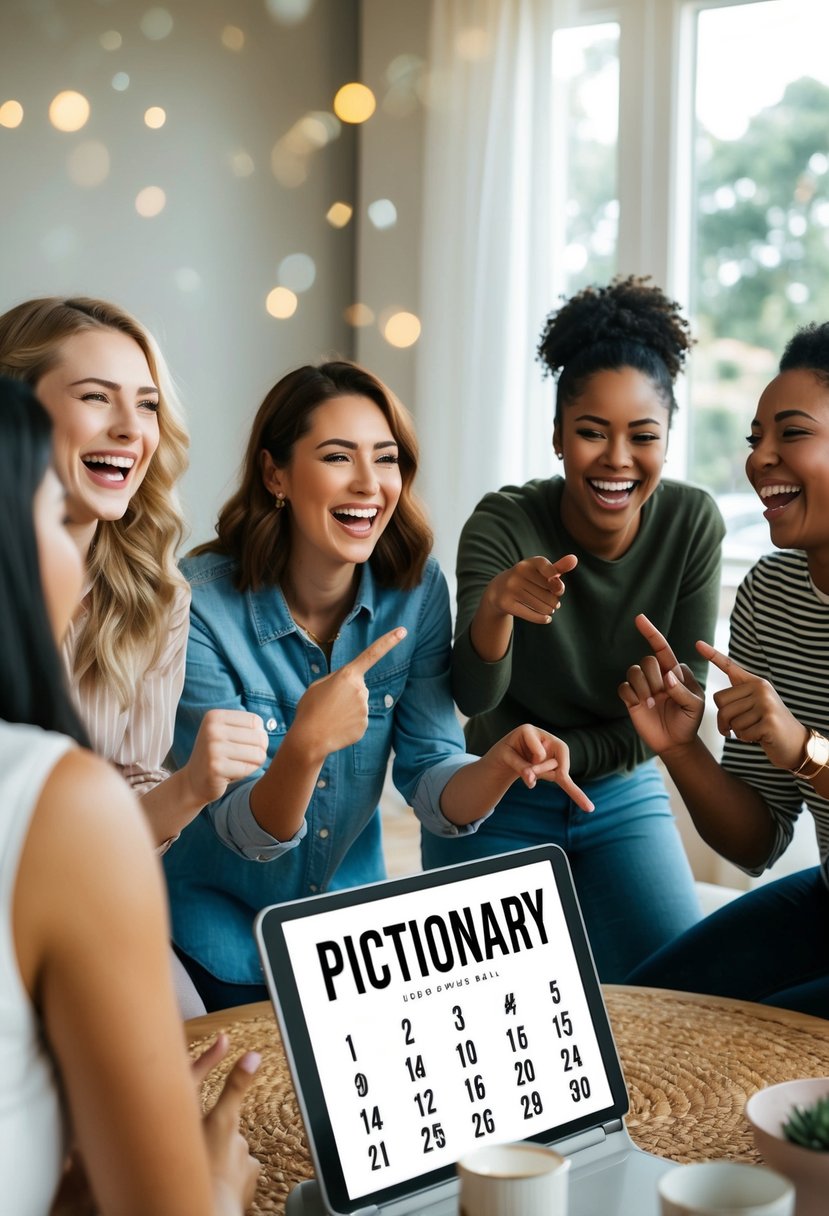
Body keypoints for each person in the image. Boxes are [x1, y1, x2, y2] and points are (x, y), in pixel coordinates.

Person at [164, 360, 592, 1012]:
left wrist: (497, 766)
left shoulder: (416, 591)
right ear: (275, 474)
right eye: (337, 456)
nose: (369, 483)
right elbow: (240, 829)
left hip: (348, 947)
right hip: (214, 938)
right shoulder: (197, 604)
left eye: (385, 458)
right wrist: (306, 746)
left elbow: (430, 777)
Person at [0, 376, 260, 1216]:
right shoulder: (51, 799)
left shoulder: (161, 599)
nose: (71, 546)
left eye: (148, 403)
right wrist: (215, 1189)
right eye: (52, 511)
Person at [423, 276, 726, 982]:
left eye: (642, 436)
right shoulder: (504, 522)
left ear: (667, 440)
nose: (617, 459)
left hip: (619, 790)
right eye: (591, 432)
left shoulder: (691, 524)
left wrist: (570, 751)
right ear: (558, 437)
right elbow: (472, 696)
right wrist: (496, 607)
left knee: (680, 1002)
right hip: (499, 789)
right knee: (487, 998)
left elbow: (670, 718)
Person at [0, 297, 267, 1015]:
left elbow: (122, 827)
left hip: (92, 904)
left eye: (146, 406)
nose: (129, 429)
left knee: (204, 1060)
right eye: (95, 398)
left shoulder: (156, 596)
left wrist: (192, 786)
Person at [620, 322, 829, 1017]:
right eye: (754, 438)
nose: (759, 458)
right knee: (640, 1019)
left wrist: (803, 750)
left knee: (762, 1059)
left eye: (790, 434)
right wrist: (681, 750)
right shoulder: (771, 594)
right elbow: (756, 840)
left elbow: (799, 758)